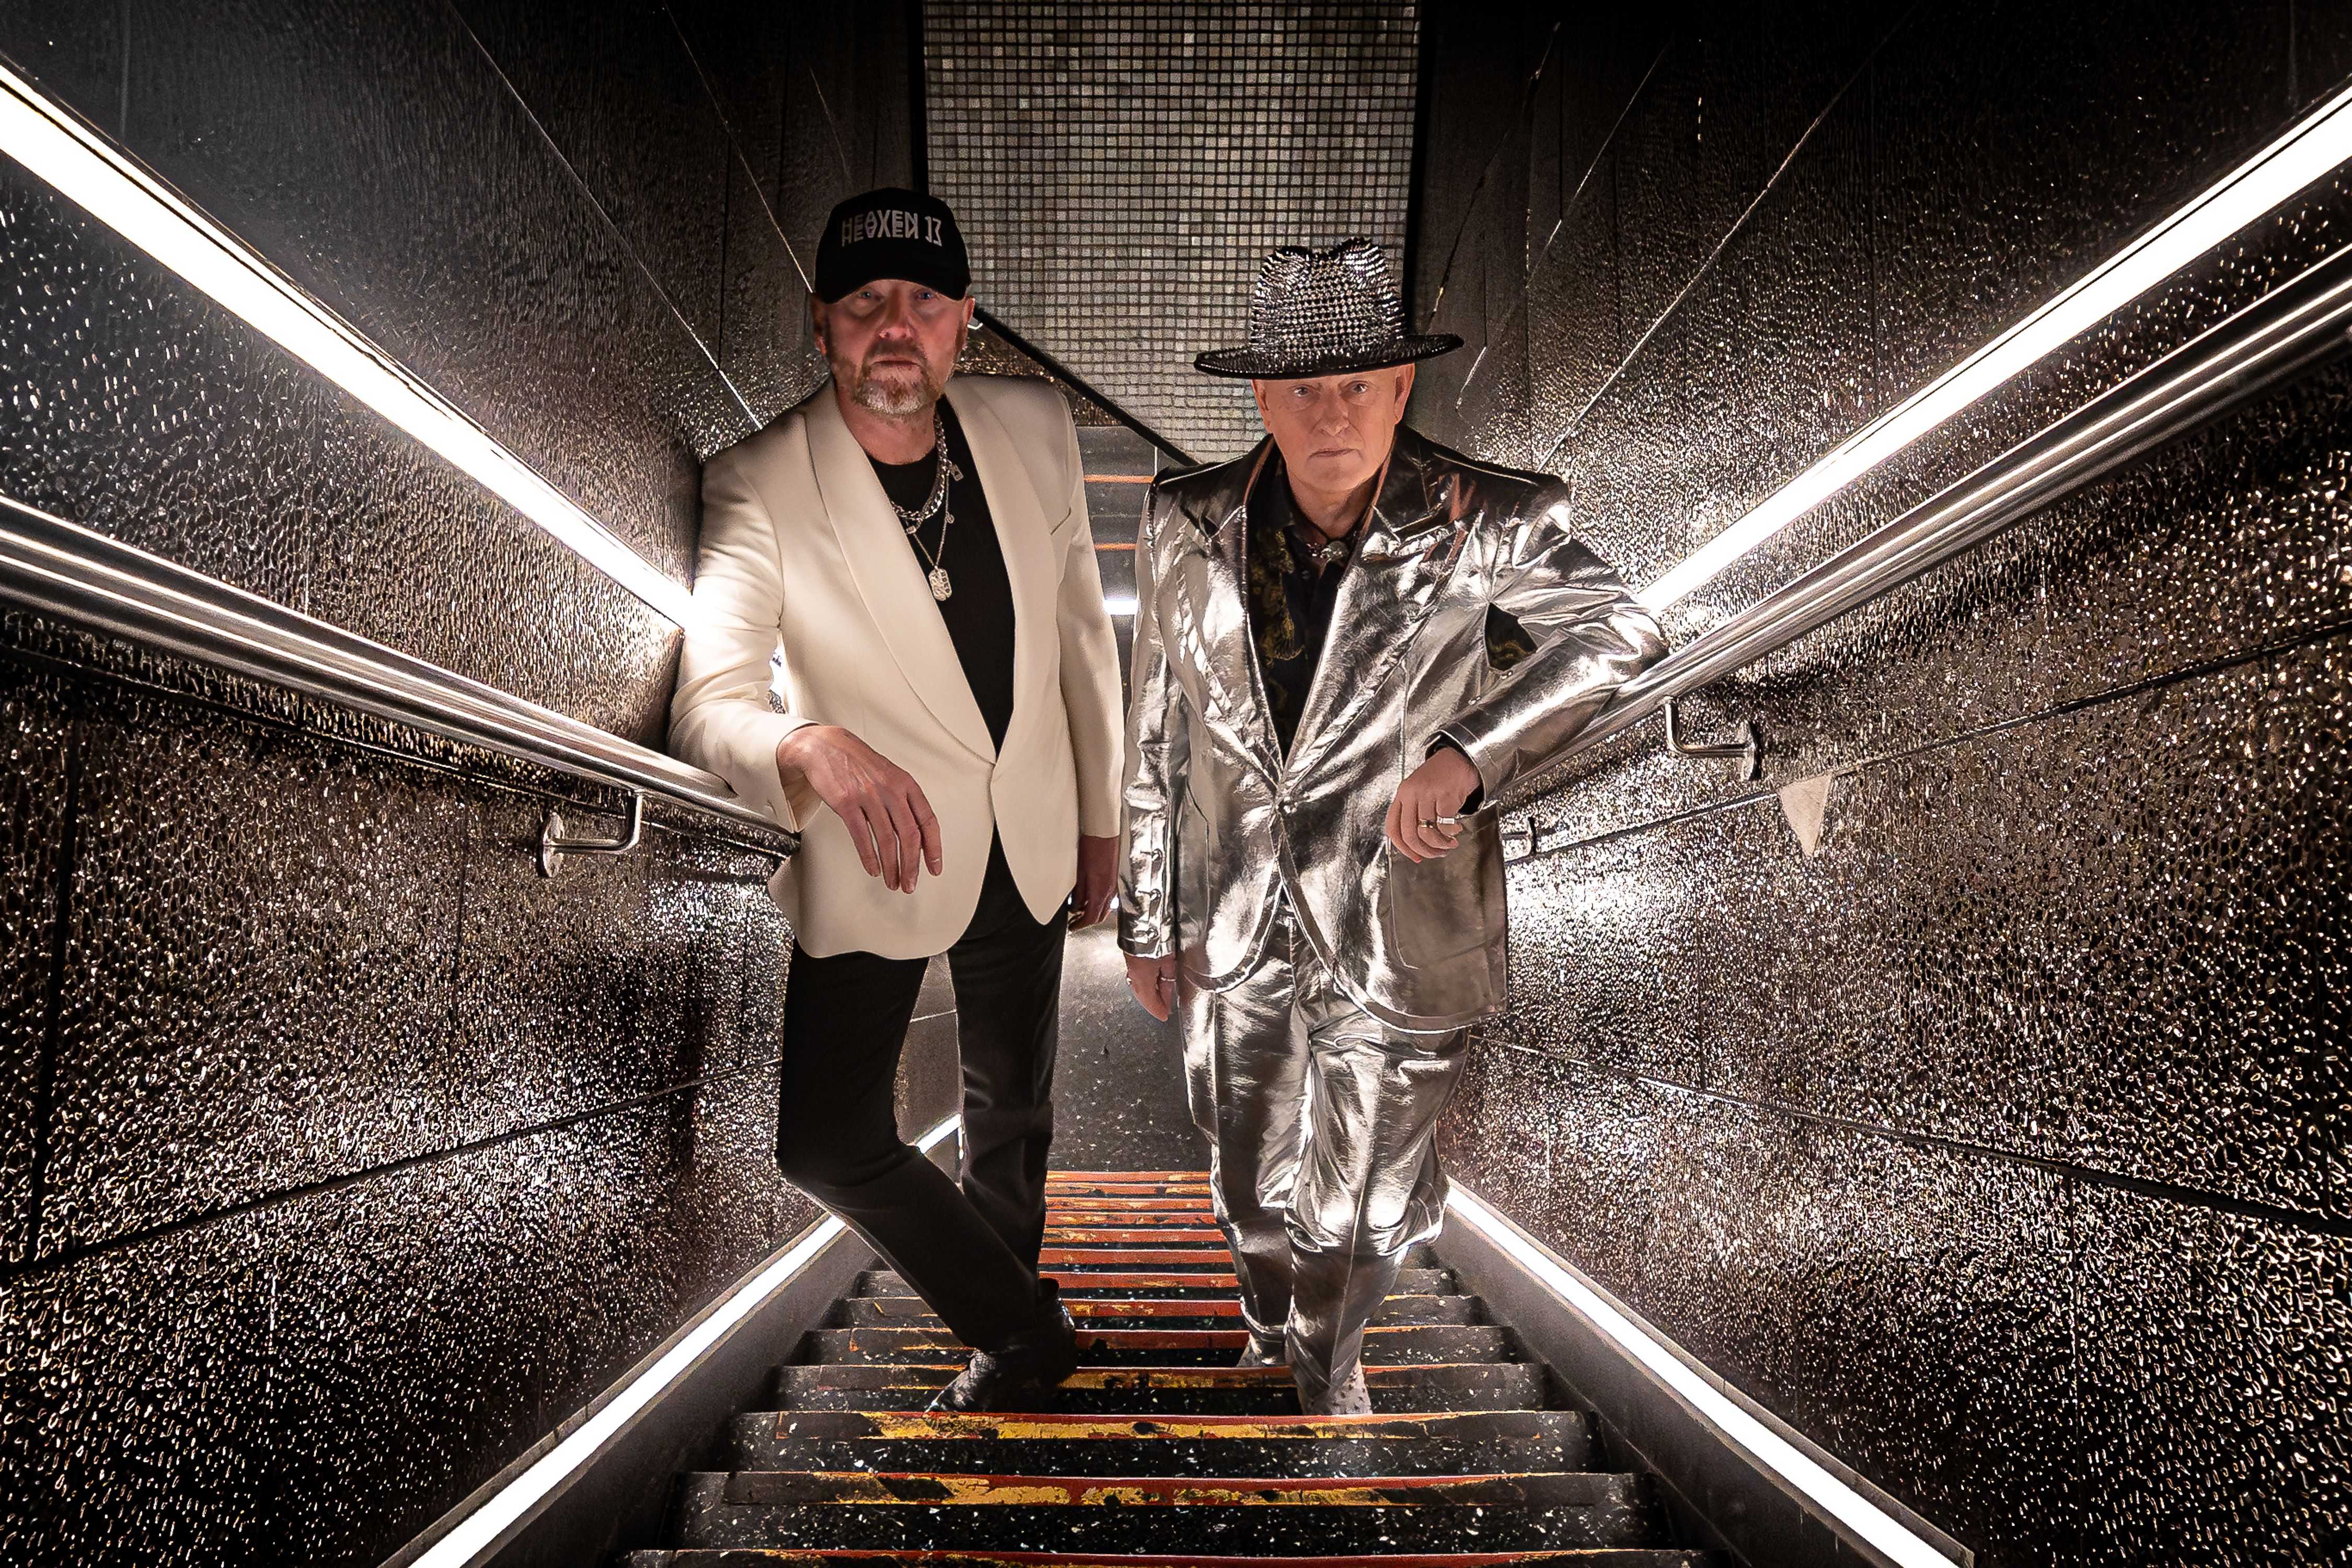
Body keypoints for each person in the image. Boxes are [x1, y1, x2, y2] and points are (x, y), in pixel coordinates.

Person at [1119, 238, 1666, 1416]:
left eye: (1358, 385)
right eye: (1304, 389)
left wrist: (1471, 751)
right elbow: (1156, 732)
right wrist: (1145, 919)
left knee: (1360, 1205)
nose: (1333, 413)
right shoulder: (1184, 522)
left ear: (1402, 387)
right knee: (1250, 1190)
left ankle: (1325, 1369)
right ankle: (1268, 1324)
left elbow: (1620, 631)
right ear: (1262, 400)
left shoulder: (1488, 518)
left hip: (1401, 912)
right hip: (1233, 919)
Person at [672, 188, 1123, 1411]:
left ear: (963, 319)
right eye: (865, 301)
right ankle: (1022, 1319)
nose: (894, 328)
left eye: (922, 302)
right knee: (825, 1141)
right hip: (878, 849)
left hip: (1032, 829)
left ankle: (1008, 1343)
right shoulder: (760, 481)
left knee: (1011, 1110)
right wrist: (806, 742)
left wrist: (1103, 816)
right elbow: (709, 703)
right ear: (820, 321)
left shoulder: (1034, 426)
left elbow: (1083, 634)